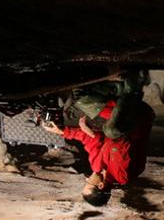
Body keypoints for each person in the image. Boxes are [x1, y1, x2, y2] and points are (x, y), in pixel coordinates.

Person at [42, 73, 154, 205]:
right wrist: (94, 134)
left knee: (75, 106)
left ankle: (117, 88)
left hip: (116, 121)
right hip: (135, 119)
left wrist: (62, 131)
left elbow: (91, 142)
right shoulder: (122, 175)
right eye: (89, 183)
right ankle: (134, 86)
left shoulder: (96, 167)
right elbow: (120, 141)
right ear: (100, 185)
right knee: (110, 130)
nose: (87, 179)